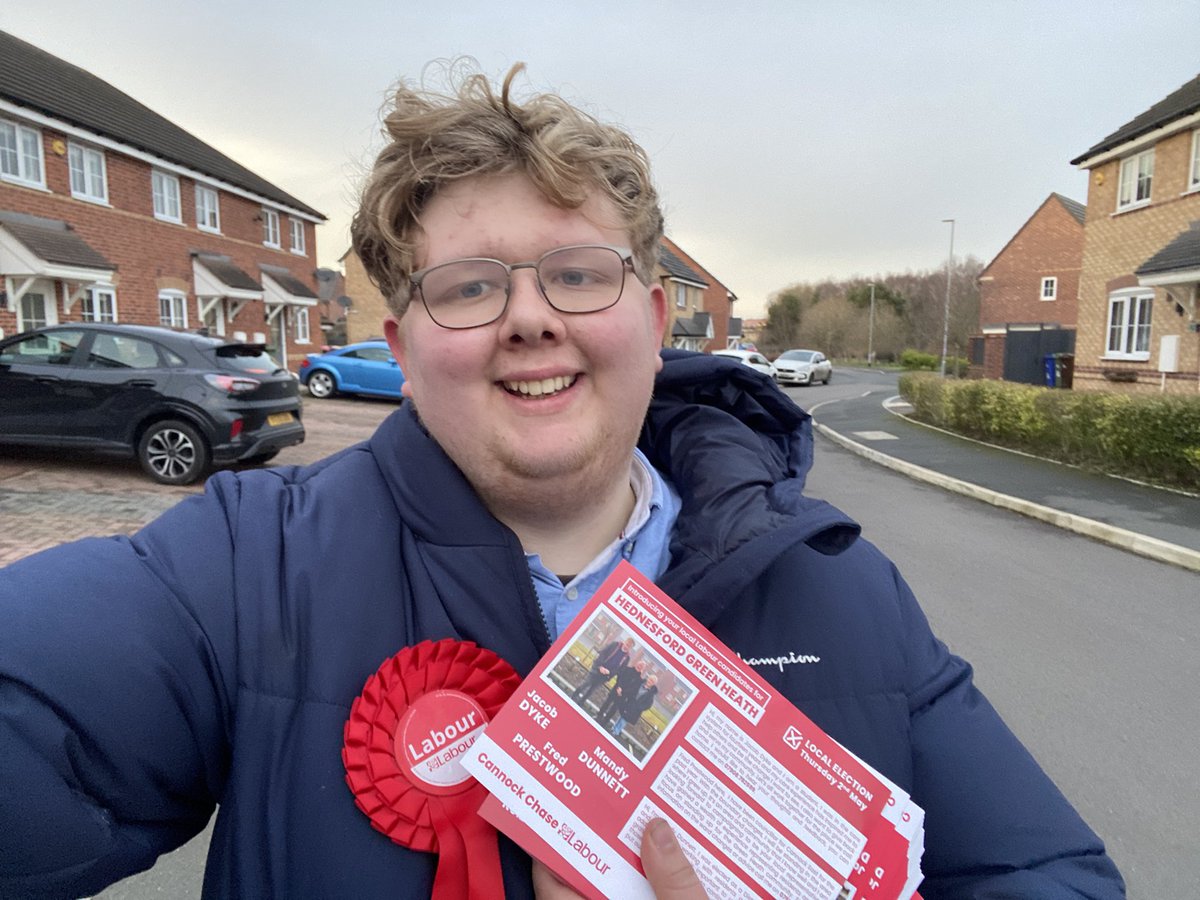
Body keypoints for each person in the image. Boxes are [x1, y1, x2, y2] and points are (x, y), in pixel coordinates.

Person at [0, 62, 1125, 900]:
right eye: (470, 286)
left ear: (648, 317)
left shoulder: (841, 590)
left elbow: (1052, 875)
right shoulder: (247, 564)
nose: (531, 315)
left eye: (576, 274)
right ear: (402, 345)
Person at [570, 636, 633, 710]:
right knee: (586, 683)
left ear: (630, 648)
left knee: (592, 690)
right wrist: (600, 666)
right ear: (624, 642)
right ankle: (573, 696)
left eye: (629, 646)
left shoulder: (627, 658)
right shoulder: (615, 645)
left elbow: (620, 670)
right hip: (598, 668)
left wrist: (609, 672)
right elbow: (603, 653)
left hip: (606, 676)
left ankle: (581, 702)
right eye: (627, 644)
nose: (627, 646)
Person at [596, 658, 648, 728]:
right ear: (636, 664)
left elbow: (633, 690)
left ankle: (604, 722)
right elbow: (620, 677)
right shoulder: (627, 669)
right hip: (616, 689)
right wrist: (619, 687)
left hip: (623, 696)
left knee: (613, 709)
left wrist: (622, 692)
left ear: (643, 669)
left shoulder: (639, 680)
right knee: (607, 703)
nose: (639, 666)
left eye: (641, 666)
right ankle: (598, 716)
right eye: (639, 664)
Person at [610, 673, 658, 741]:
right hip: (629, 703)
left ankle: (616, 732)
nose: (650, 681)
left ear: (653, 684)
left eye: (652, 681)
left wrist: (639, 707)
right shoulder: (640, 684)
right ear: (648, 678)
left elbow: (648, 705)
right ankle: (613, 728)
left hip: (635, 710)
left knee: (624, 720)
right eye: (650, 679)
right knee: (621, 716)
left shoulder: (651, 694)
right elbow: (632, 689)